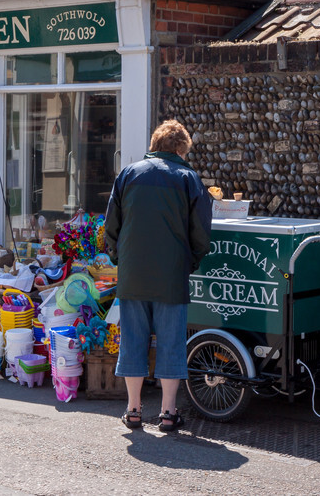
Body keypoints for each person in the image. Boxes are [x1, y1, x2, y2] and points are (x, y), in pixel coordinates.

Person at [104, 119, 212, 432]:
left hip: (133, 273)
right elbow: (202, 233)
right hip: (171, 275)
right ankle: (167, 412)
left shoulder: (128, 174)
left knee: (134, 341)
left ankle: (134, 409)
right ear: (180, 148)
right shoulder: (188, 179)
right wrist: (190, 261)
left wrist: (119, 258)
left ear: (155, 146)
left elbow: (111, 224)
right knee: (171, 343)